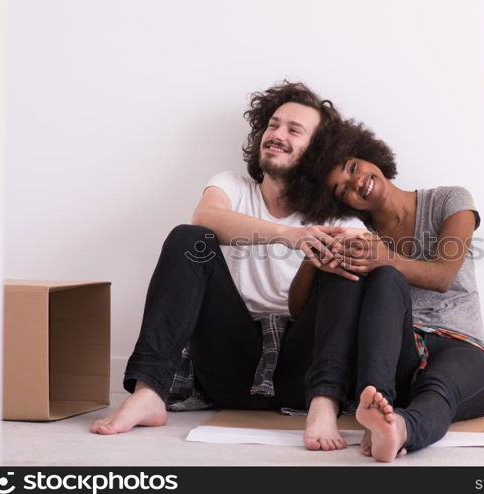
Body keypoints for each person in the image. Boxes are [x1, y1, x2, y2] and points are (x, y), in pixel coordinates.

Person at [90, 82, 366, 447]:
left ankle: (325, 405)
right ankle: (149, 392)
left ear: (318, 150)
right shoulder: (232, 186)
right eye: (273, 124)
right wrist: (290, 236)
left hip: (302, 371)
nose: (277, 135)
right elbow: (206, 217)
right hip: (231, 362)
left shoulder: (336, 216)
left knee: (345, 263)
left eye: (293, 130)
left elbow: (367, 258)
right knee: (188, 237)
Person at [285, 119, 484, 462]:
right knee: (380, 276)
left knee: (440, 391)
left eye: (353, 167)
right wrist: (313, 257)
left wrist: (384, 257)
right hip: (398, 352)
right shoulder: (356, 235)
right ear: (343, 205)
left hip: (461, 346)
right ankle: (375, 404)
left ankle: (397, 429)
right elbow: (302, 311)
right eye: (343, 190)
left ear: (370, 157)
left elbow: (443, 275)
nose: (356, 182)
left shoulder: (450, 200)